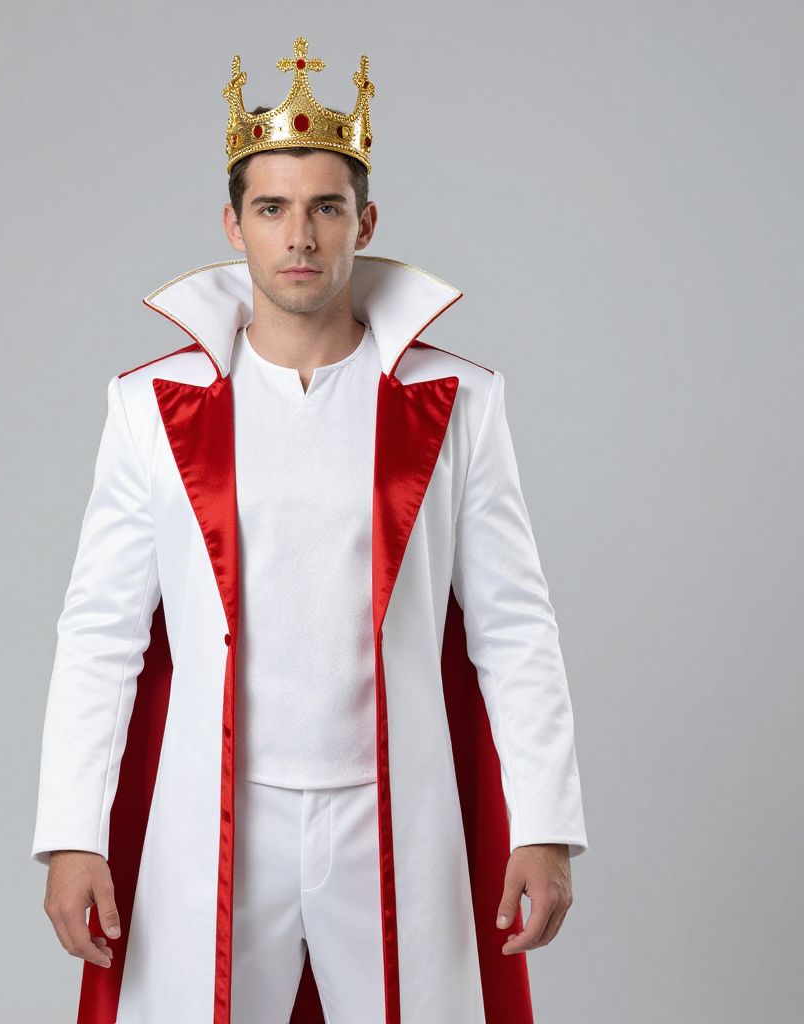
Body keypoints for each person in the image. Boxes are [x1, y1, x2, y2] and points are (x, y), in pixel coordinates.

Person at [31, 35, 588, 1024]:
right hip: (217, 811)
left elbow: (513, 625)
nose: (300, 236)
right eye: (272, 208)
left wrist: (542, 825)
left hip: (392, 811)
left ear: (364, 222)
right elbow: (102, 631)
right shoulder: (150, 407)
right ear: (233, 224)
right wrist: (74, 832)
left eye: (326, 208)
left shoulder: (458, 402)